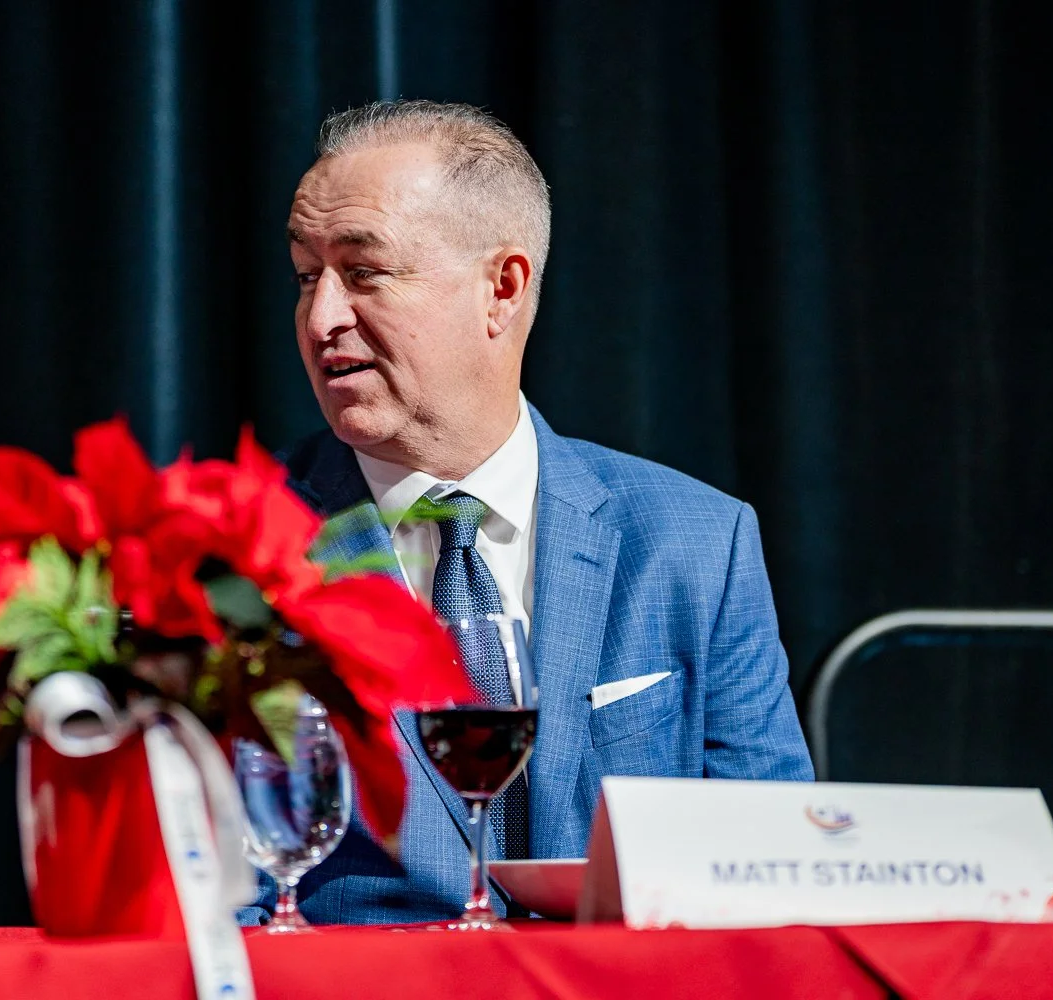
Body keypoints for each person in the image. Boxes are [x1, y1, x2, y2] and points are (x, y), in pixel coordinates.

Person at [254, 99, 812, 926]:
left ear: (502, 288)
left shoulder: (697, 542)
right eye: (308, 276)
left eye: (363, 272)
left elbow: (772, 873)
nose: (322, 318)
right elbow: (206, 896)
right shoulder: (230, 549)